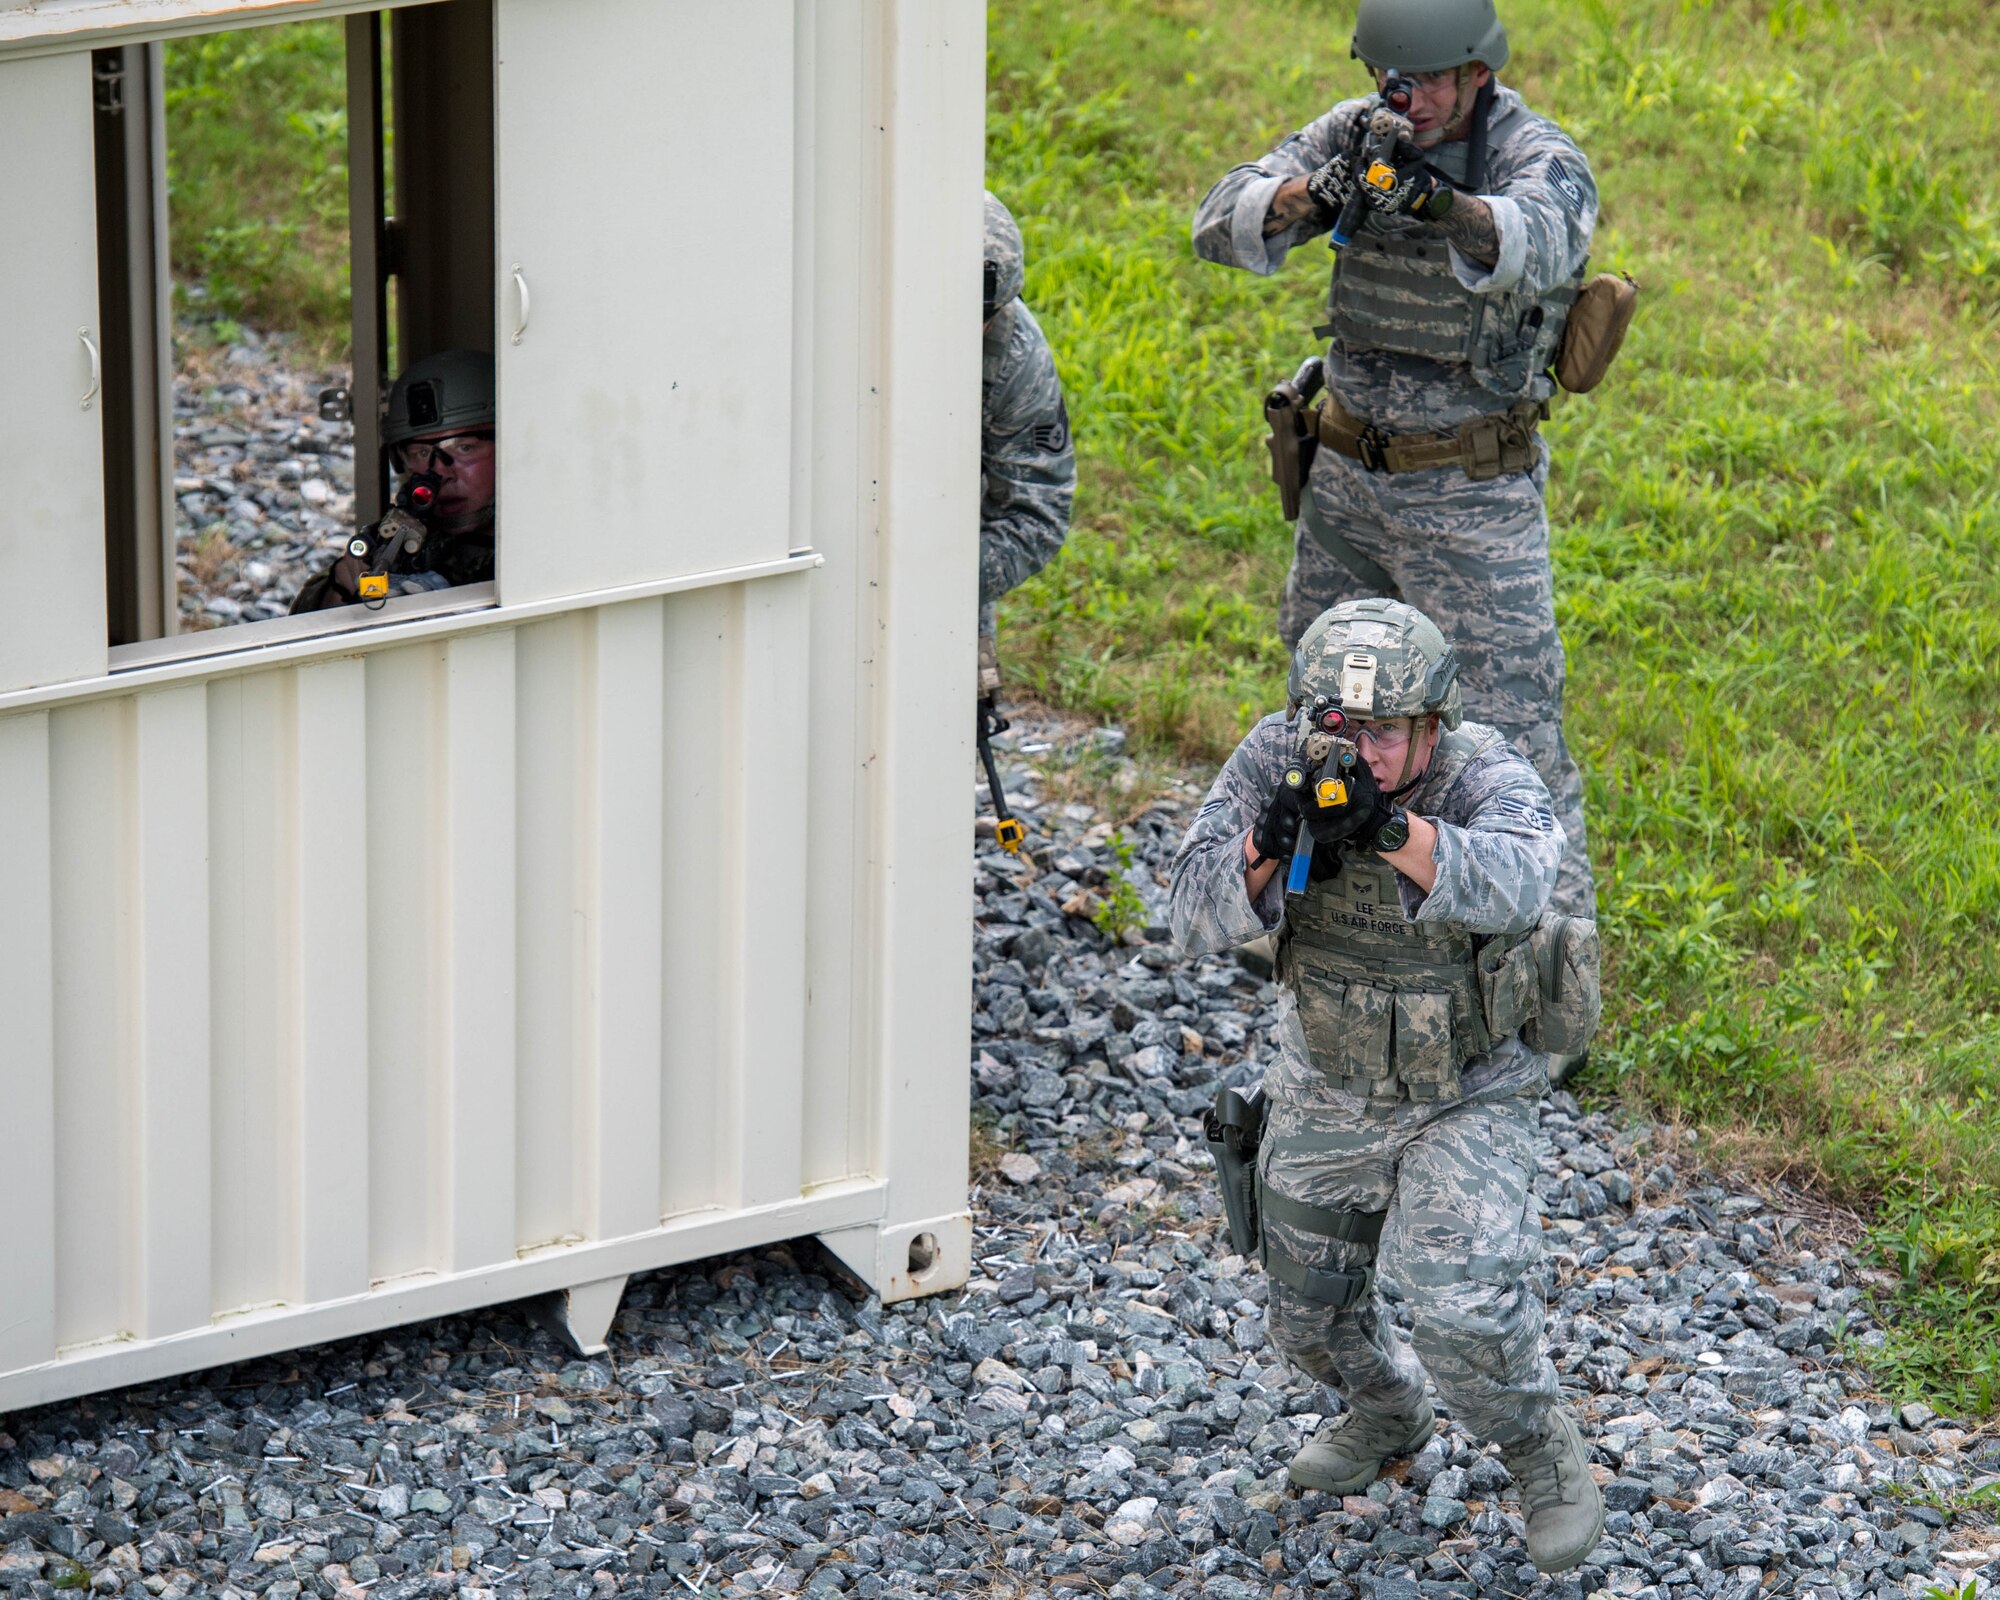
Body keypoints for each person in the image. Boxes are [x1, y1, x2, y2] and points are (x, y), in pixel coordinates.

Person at [1169, 598, 1605, 1577]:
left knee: (1461, 1307)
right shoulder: (1270, 757)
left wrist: (1391, 829)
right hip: (1331, 1073)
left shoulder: (1482, 771)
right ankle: (1384, 1408)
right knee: (1305, 1310)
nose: (1355, 751)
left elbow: (1523, 882)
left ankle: (1538, 1447)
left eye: (1381, 732)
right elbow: (1188, 911)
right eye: (1337, 727)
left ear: (1429, 727)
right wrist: (1263, 847)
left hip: (1466, 1082)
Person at [1190, 0, 1599, 920]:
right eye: (1388, 78)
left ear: (1477, 75)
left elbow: (1535, 239)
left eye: (1424, 82)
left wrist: (1438, 203)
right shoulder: (1355, 129)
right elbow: (1219, 221)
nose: (1402, 97)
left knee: (1517, 740)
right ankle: (1329, 933)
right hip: (1346, 483)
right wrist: (1316, 197)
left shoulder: (1533, 154)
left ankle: (1551, 974)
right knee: (1323, 724)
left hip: (1470, 492)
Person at [292, 349, 497, 613]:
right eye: (421, 453)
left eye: (464, 448)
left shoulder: (538, 535)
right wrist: (341, 589)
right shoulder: (401, 534)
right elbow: (302, 619)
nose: (442, 473)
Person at [979, 191, 1074, 695]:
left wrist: (930, 579)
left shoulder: (1014, 358)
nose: (978, 329)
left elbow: (1037, 516)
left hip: (939, 577)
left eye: (988, 315)